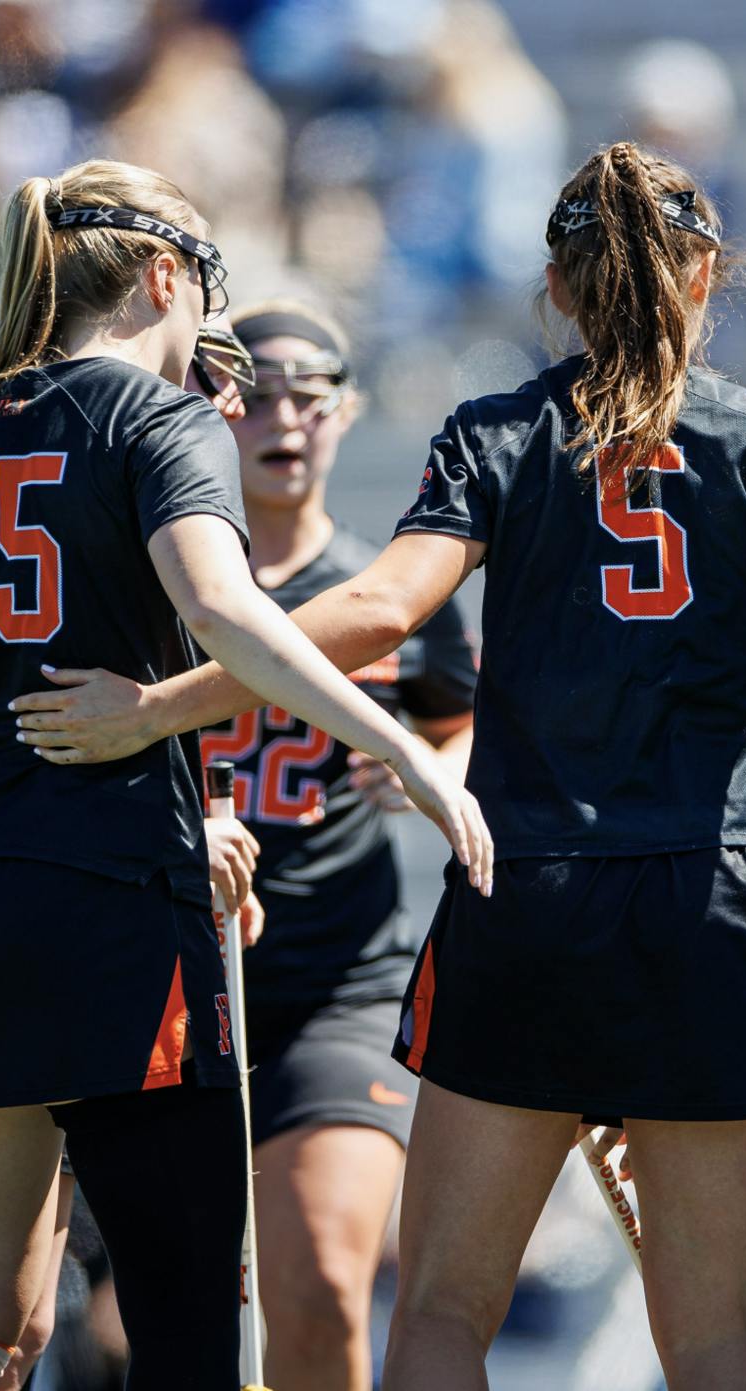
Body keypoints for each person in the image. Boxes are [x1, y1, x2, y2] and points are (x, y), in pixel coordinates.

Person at [8, 140, 746, 1390]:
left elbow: (377, 612)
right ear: (706, 275)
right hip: (708, 907)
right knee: (713, 1338)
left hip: (527, 900)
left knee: (446, 1314)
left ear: (555, 288)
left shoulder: (495, 429)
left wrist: (162, 704)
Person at [0, 157, 490, 1391]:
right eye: (206, 286)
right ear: (162, 274)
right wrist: (403, 749)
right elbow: (228, 611)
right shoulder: (157, 422)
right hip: (105, 910)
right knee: (191, 1336)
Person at [199, 299, 477, 1391]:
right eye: (252, 395)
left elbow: (460, 727)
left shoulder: (387, 595)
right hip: (173, 981)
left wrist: (427, 771)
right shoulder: (167, 582)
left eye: (305, 397)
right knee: (139, 1317)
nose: (281, 418)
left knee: (316, 1277)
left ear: (344, 411)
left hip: (338, 981)